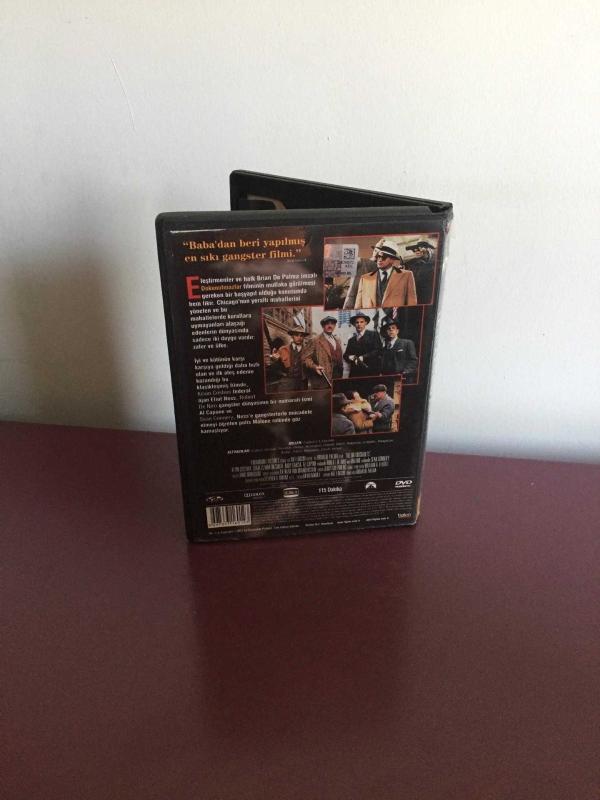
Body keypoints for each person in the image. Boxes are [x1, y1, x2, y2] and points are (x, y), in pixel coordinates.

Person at [354, 239, 417, 310]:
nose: (380, 259)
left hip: (395, 316)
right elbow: (357, 307)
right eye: (378, 256)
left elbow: (412, 305)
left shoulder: (407, 275)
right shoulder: (365, 278)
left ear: (392, 260)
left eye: (384, 257)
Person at [302, 316, 344, 389]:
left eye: (332, 324)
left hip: (338, 377)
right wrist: (315, 367)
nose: (330, 326)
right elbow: (305, 358)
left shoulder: (337, 340)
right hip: (322, 379)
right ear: (323, 326)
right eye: (327, 324)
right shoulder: (315, 340)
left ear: (334, 326)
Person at [343, 312, 383, 377]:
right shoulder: (351, 340)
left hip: (370, 372)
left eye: (361, 322)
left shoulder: (373, 335)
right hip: (356, 373)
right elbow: (345, 355)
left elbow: (378, 350)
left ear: (366, 323)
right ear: (354, 324)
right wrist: (350, 357)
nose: (359, 324)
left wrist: (363, 357)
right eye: (357, 322)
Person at [405, 240, 436, 304]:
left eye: (422, 248)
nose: (418, 251)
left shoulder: (434, 263)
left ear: (429, 250)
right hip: (416, 296)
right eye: (416, 249)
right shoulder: (412, 263)